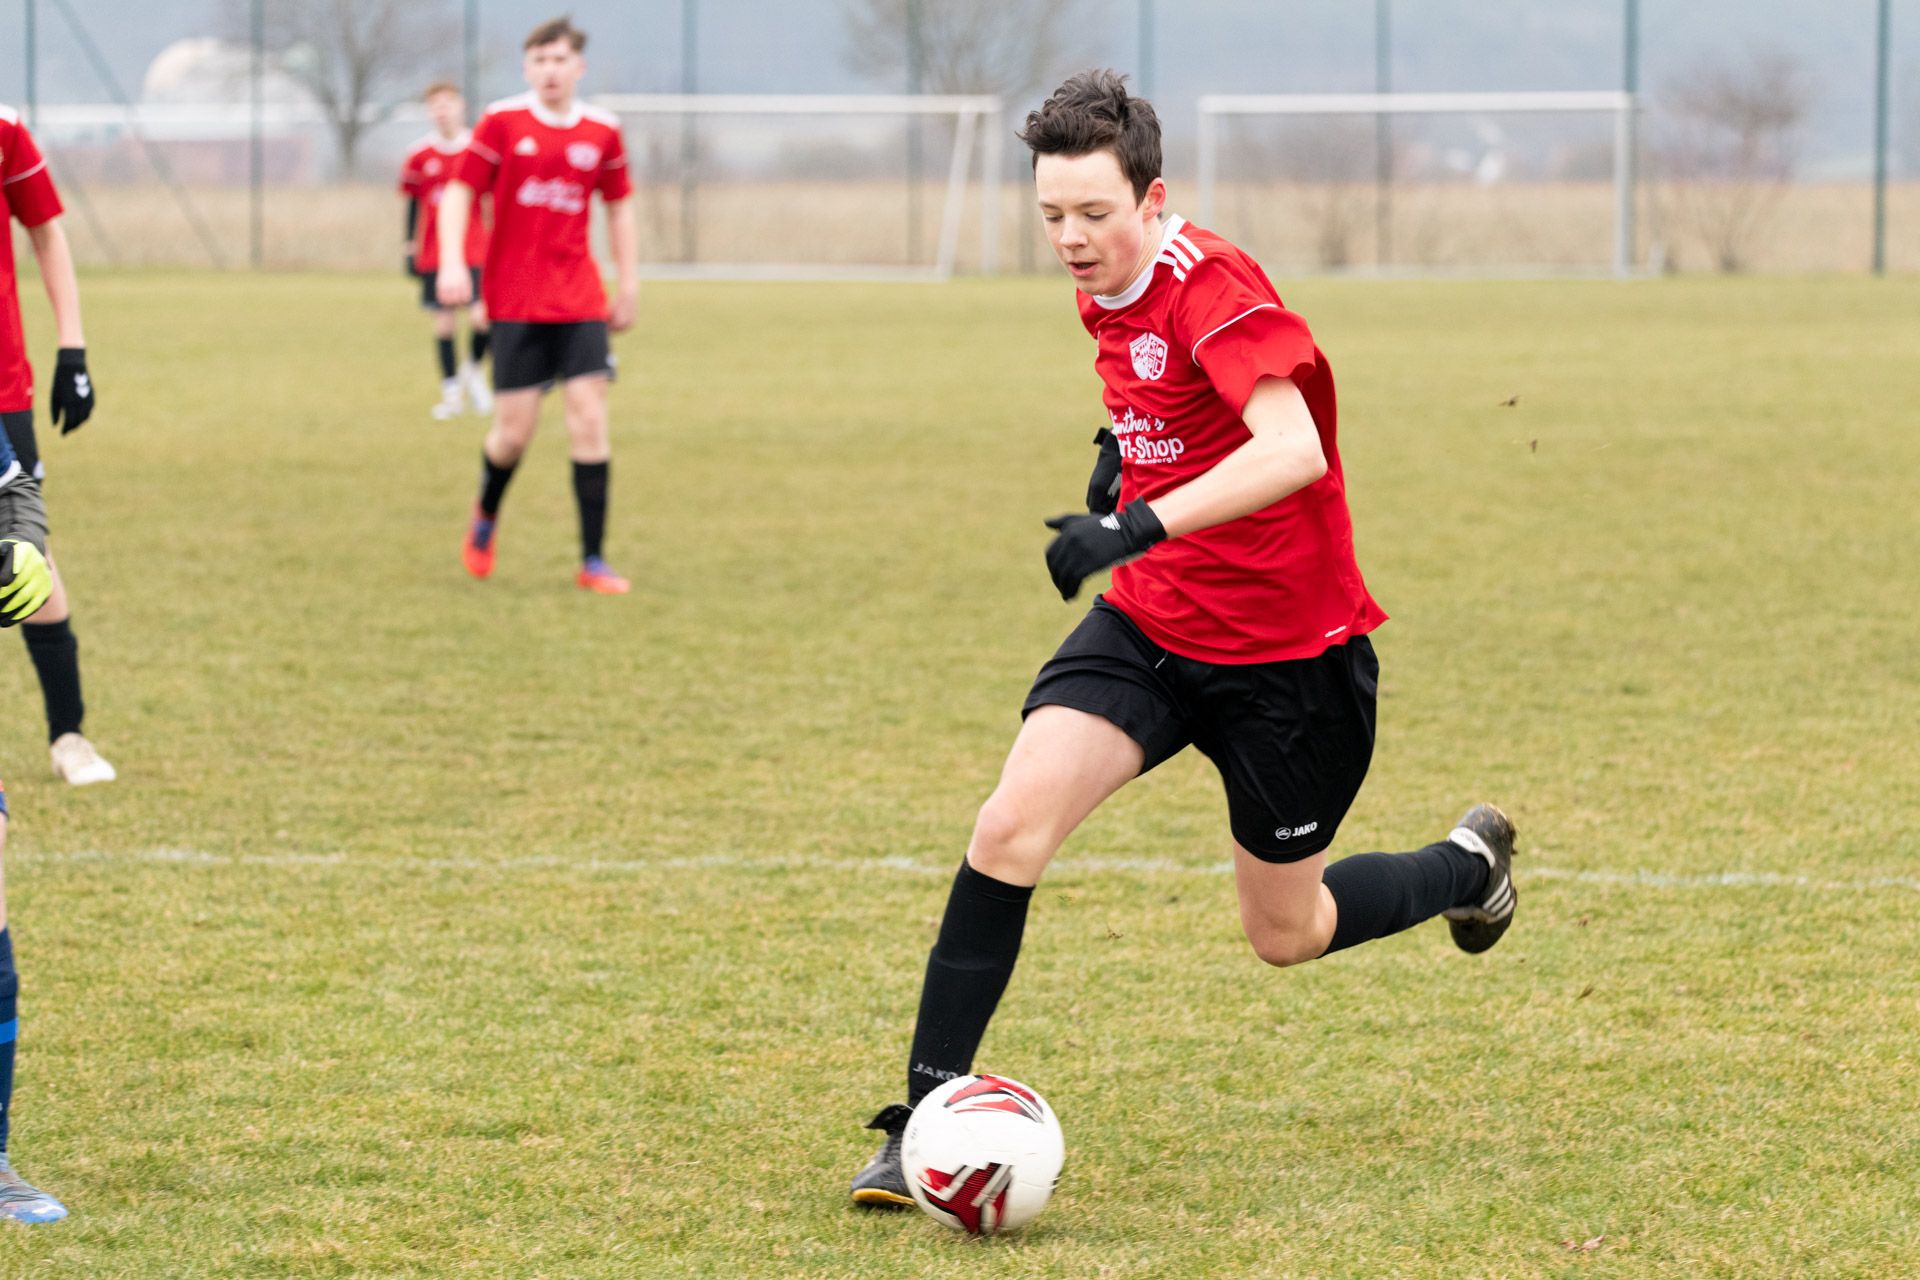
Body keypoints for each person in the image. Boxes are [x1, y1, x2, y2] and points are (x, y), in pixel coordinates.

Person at [849, 72, 1519, 1207]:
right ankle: (921, 1117)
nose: (1072, 238)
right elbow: (1170, 399)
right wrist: (1124, 450)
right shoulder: (1104, 283)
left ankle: (1469, 867)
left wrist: (1132, 522)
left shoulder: (1213, 287)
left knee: (1288, 930)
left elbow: (1292, 448)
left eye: (1094, 213)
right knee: (1008, 827)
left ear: (1153, 199)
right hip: (1153, 627)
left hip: (1289, 662)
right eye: (1052, 215)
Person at [435, 16, 639, 595]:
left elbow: (619, 209)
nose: (550, 71)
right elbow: (460, 192)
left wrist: (628, 284)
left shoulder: (603, 131)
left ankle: (593, 560)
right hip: (516, 300)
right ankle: (486, 512)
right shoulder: (502, 122)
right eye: (540, 61)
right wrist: (453, 263)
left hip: (579, 297)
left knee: (589, 417)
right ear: (527, 69)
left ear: (579, 67)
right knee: (513, 435)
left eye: (560, 60)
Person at [0, 103, 114, 788]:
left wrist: (72, 348)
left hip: (1, 391)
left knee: (27, 556)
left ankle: (68, 735)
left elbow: (45, 230)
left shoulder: (4, 129)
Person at [401, 81, 493, 421]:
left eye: (447, 104)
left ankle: (473, 371)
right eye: (435, 106)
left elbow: (491, 199)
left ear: (460, 106)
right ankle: (452, 394)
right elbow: (414, 203)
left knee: (482, 318)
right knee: (443, 324)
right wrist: (409, 245)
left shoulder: (479, 150)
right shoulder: (420, 154)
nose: (442, 111)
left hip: (475, 248)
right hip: (435, 252)